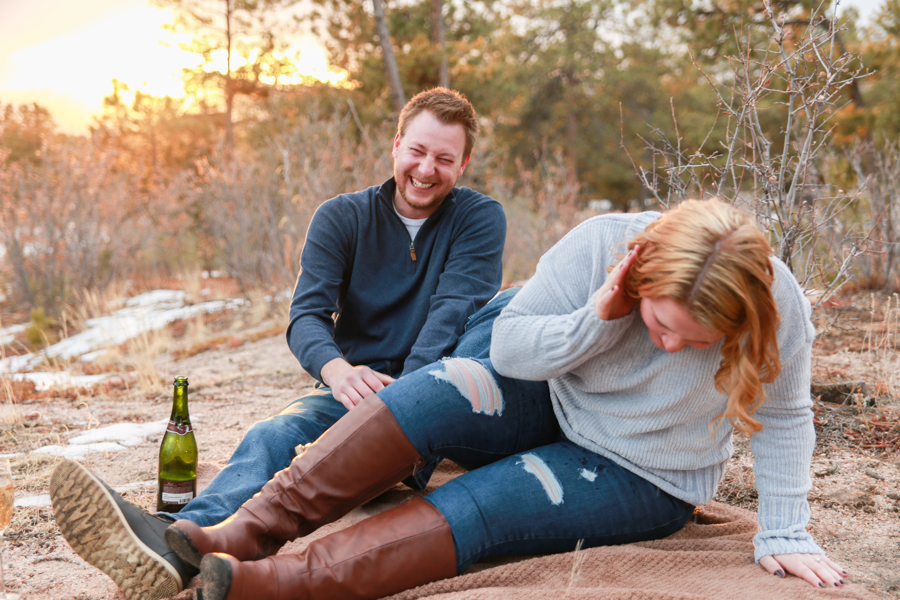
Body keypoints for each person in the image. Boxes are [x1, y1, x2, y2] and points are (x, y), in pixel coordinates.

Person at [154, 198, 846, 600]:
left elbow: (784, 414)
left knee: (479, 503)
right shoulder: (602, 243)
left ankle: (272, 585)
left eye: (698, 341)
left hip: (642, 472)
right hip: (558, 396)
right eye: (662, 325)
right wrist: (598, 318)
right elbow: (509, 348)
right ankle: (240, 533)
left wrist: (785, 529)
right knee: (440, 387)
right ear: (640, 280)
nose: (672, 349)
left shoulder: (775, 302)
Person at [48, 87, 507, 600]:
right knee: (274, 434)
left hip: (437, 400)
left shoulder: (478, 219)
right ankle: (170, 547)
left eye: (444, 159)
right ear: (396, 145)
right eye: (418, 151)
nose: (426, 169)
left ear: (463, 164)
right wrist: (337, 371)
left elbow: (451, 315)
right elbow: (307, 316)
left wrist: (401, 404)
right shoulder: (342, 217)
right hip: (349, 391)